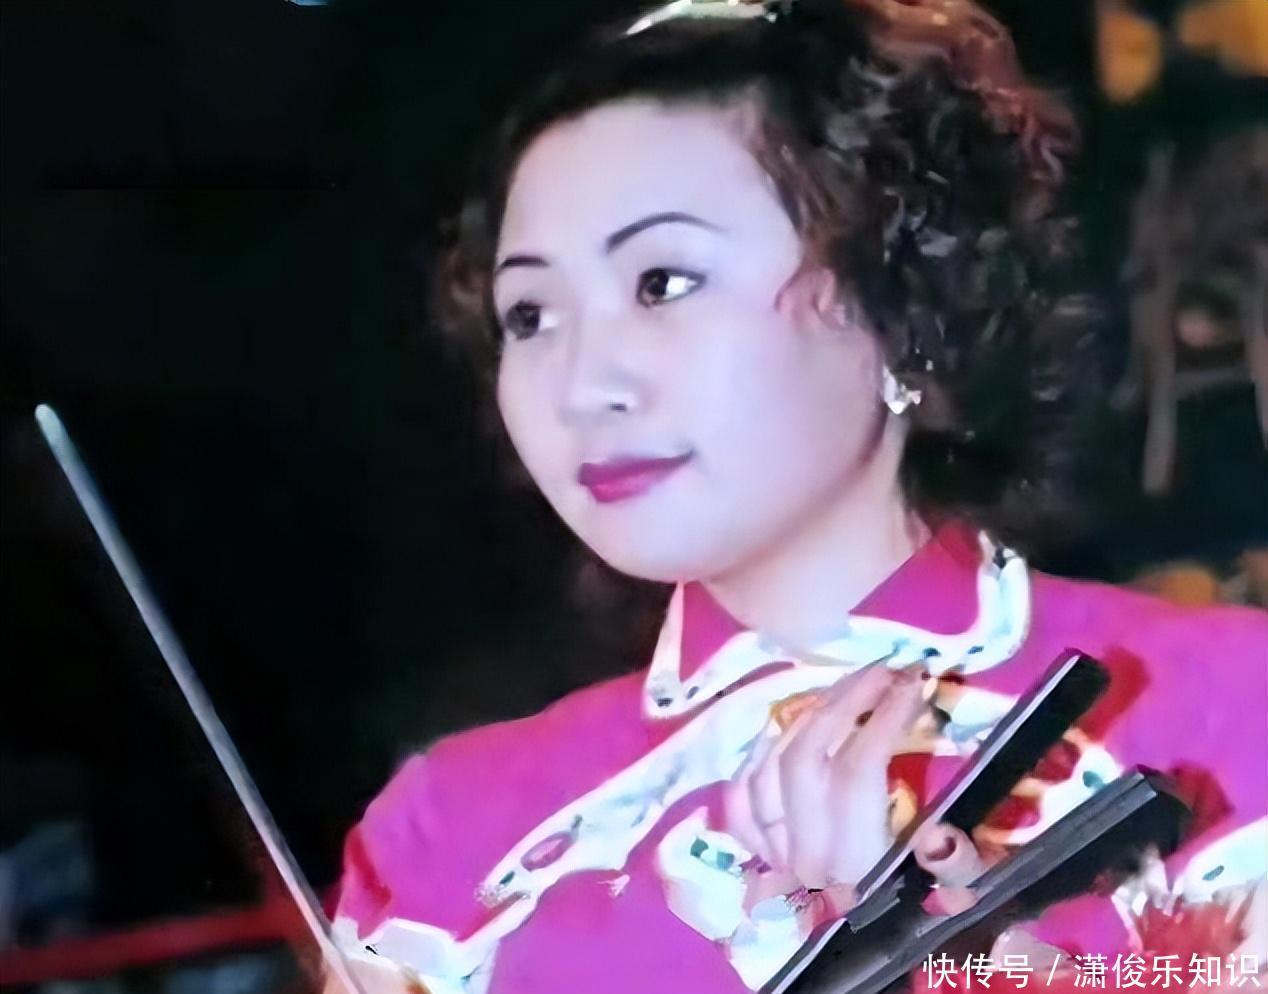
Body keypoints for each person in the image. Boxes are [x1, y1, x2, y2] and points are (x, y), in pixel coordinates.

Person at [326, 1, 1268, 991]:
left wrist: (965, 967)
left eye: (662, 282)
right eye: (529, 315)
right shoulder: (444, 837)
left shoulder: (1221, 707)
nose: (580, 384)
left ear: (896, 306)